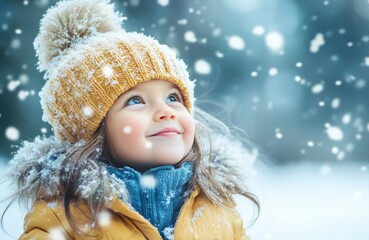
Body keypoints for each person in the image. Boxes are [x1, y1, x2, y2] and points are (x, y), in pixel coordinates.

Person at [2, 0, 259, 239]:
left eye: (173, 97)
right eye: (135, 101)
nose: (166, 111)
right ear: (92, 134)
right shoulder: (65, 217)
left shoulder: (216, 206)